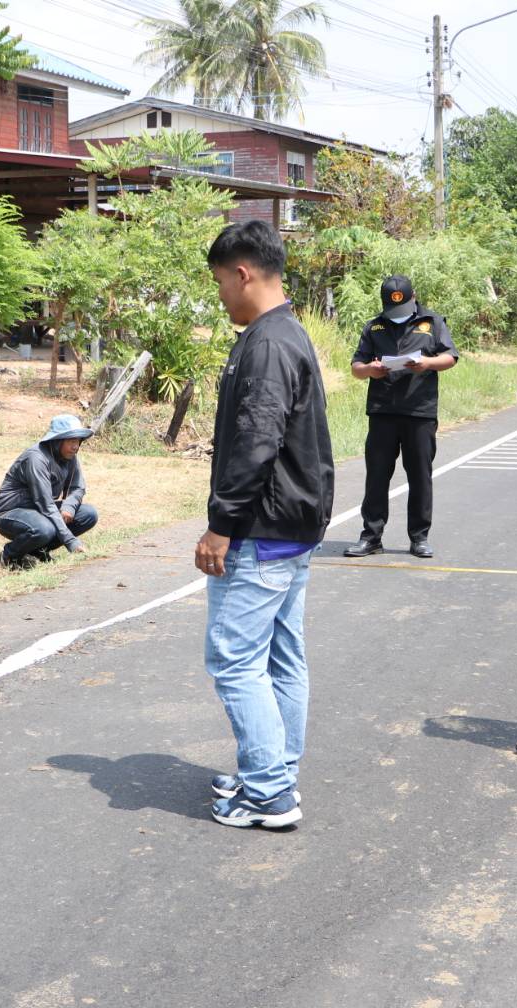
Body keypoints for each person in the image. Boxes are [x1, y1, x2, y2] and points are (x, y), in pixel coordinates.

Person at [197, 219, 335, 829]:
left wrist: (221, 525)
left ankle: (268, 794)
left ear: (243, 272)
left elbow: (257, 441)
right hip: (289, 526)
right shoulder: (283, 334)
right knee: (281, 656)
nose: (221, 295)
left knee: (234, 658)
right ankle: (273, 770)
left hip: (261, 529)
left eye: (221, 282)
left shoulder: (268, 343)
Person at [345, 275, 459, 559]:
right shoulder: (375, 326)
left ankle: (419, 538)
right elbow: (356, 366)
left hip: (419, 411)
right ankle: (371, 537)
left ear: (413, 297)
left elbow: (450, 357)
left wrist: (427, 363)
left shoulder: (432, 323)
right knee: (377, 476)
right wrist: (369, 370)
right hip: (383, 411)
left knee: (420, 476)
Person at [0, 414, 98, 567]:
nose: (76, 446)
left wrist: (69, 506)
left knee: (88, 514)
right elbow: (46, 504)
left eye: (78, 441)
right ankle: (10, 555)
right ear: (57, 441)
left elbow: (78, 487)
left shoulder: (70, 456)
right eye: (71, 441)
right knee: (43, 529)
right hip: (9, 512)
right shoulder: (36, 458)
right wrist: (70, 541)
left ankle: (37, 551)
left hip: (39, 510)